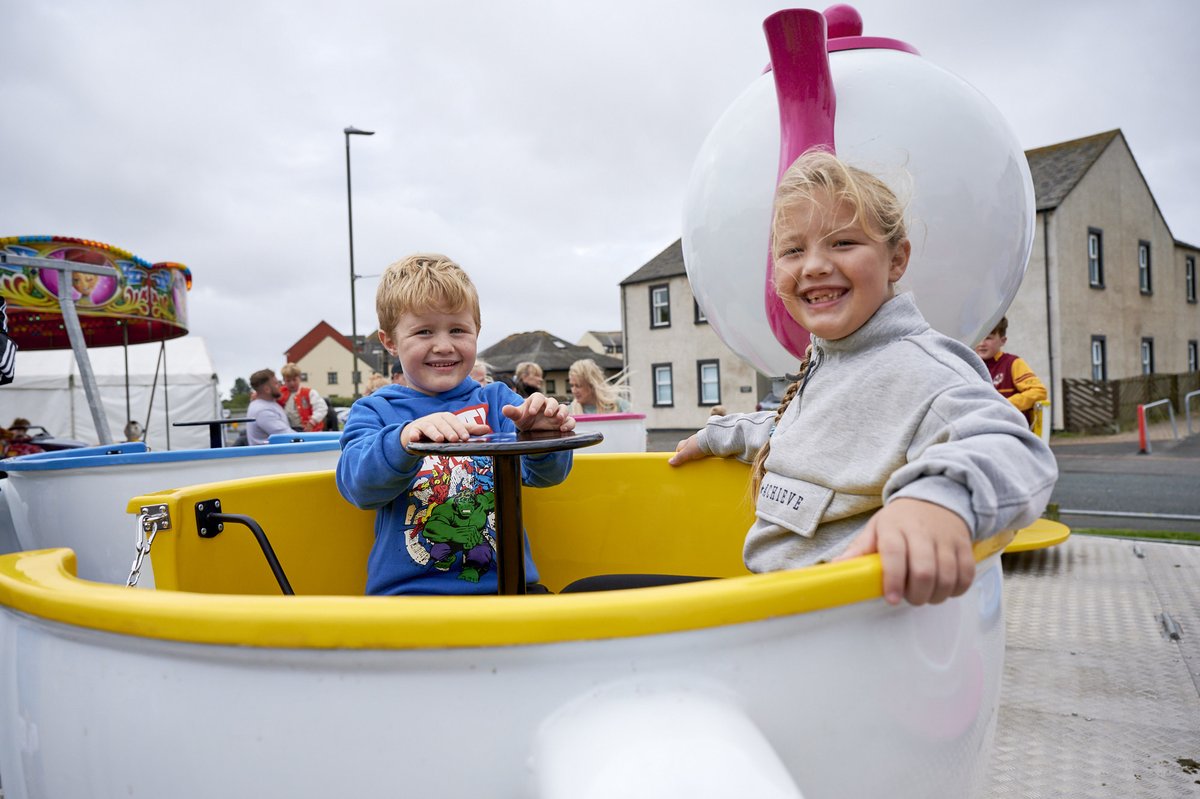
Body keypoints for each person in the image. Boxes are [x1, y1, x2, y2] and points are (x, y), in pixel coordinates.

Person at [668, 149, 1057, 606]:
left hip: (837, 627)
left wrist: (936, 501)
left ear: (896, 260)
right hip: (772, 601)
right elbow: (805, 433)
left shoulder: (922, 368)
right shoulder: (833, 360)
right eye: (794, 250)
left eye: (843, 242)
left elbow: (1013, 447)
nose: (813, 265)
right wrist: (720, 435)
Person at [336, 253, 575, 595]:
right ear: (389, 342)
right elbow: (358, 488)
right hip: (411, 598)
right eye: (423, 332)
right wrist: (404, 440)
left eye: (458, 330)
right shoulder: (375, 410)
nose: (444, 345)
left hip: (508, 590)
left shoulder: (498, 402)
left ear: (477, 331)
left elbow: (546, 476)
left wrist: (543, 435)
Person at [974, 317, 1048, 428]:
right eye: (979, 337)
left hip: (1009, 430)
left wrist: (1004, 405)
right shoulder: (966, 366)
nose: (982, 343)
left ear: (1003, 341)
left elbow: (1039, 391)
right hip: (978, 428)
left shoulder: (1012, 363)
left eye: (988, 338)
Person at [567, 358, 631, 414]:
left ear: (591, 385)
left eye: (578, 386)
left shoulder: (618, 405)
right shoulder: (569, 412)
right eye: (572, 385)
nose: (573, 390)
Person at [246, 369, 292, 445]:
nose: (281, 386)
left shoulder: (268, 404)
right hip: (272, 455)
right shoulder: (263, 411)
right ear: (267, 389)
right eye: (276, 384)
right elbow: (288, 436)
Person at [278, 363, 328, 432]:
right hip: (289, 430)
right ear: (284, 380)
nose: (292, 383)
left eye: (294, 380)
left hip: (310, 431)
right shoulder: (280, 393)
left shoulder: (310, 392)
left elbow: (322, 408)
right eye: (288, 381)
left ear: (299, 378)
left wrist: (312, 422)